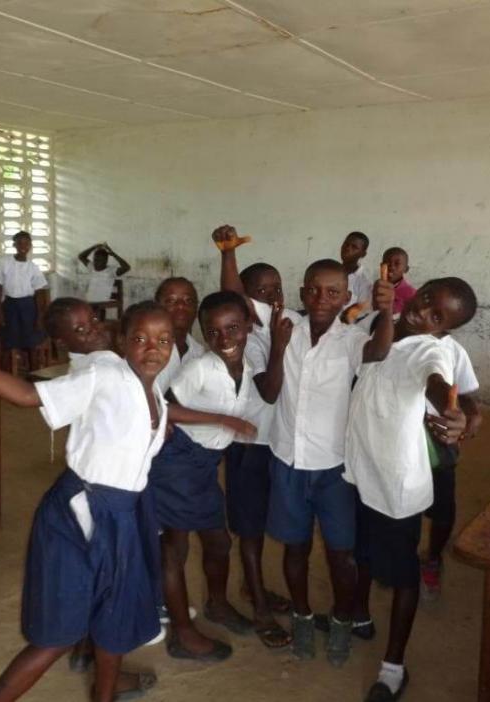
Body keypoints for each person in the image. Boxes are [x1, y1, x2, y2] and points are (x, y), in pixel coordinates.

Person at [0, 301, 177, 702]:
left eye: (163, 341)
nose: (153, 349)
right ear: (123, 341)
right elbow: (27, 395)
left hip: (123, 513)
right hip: (81, 515)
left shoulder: (149, 387)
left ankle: (105, 695)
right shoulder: (103, 372)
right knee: (59, 633)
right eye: (140, 340)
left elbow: (139, 430)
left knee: (115, 616)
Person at [343, 278, 477, 701]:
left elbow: (439, 382)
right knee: (361, 552)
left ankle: (393, 667)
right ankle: (360, 613)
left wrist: (454, 412)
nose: (423, 314)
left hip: (398, 483)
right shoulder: (384, 322)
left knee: (402, 574)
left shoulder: (431, 349)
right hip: (359, 467)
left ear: (446, 329)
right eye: (424, 301)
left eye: (438, 316)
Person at [260, 258, 395, 666]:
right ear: (302, 292)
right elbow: (269, 391)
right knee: (295, 547)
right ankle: (302, 615)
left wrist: (386, 310)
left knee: (341, 553)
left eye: (333, 292)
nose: (322, 299)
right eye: (314, 290)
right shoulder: (285, 329)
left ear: (347, 298)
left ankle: (341, 618)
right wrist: (279, 346)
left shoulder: (351, 339)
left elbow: (378, 351)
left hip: (334, 466)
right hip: (287, 459)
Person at [150, 291, 263, 661]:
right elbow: (166, 407)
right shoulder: (199, 366)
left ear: (248, 325)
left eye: (233, 328)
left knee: (217, 542)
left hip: (203, 464)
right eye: (213, 332)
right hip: (178, 462)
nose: (224, 339)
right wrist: (223, 420)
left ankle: (216, 604)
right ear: (204, 333)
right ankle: (182, 632)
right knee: (175, 546)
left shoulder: (247, 365)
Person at [211, 224, 299, 646]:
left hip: (275, 443)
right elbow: (268, 389)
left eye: (275, 288)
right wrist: (229, 256)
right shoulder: (247, 332)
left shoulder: (278, 324)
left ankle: (253, 586)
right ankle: (259, 605)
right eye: (260, 290)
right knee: (248, 527)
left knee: (262, 522)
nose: (270, 295)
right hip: (249, 444)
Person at [420, 331, 482, 599]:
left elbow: (464, 393)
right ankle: (396, 557)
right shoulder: (396, 340)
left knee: (443, 504)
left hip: (438, 436)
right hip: (397, 437)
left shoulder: (453, 350)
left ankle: (433, 557)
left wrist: (472, 413)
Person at [0, 230, 49, 372]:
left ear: (30, 245)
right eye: (20, 243)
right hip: (10, 306)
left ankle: (34, 376)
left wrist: (39, 317)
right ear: (14, 245)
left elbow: (39, 293)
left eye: (27, 243)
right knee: (7, 343)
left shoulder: (33, 267)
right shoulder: (4, 262)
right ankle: (4, 378)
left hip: (28, 307)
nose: (23, 246)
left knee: (31, 344)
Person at [154, 277, 203, 393]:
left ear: (196, 309)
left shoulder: (198, 352)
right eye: (171, 301)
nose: (181, 306)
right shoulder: (147, 349)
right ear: (157, 307)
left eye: (188, 301)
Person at [78, 242, 131, 314]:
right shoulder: (92, 267)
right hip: (89, 301)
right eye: (95, 259)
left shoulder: (111, 271)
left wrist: (113, 254)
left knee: (94, 313)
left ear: (105, 261)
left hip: (101, 302)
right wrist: (94, 247)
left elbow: (126, 267)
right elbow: (81, 256)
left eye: (99, 260)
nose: (96, 262)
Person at [341, 231, 372, 309]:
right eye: (346, 244)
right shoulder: (330, 271)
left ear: (363, 254)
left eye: (354, 247)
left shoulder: (365, 281)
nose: (348, 248)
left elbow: (361, 311)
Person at [382, 247, 417, 315]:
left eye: (397, 263)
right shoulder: (373, 288)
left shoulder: (411, 295)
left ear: (406, 269)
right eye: (387, 263)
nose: (391, 267)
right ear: (381, 265)